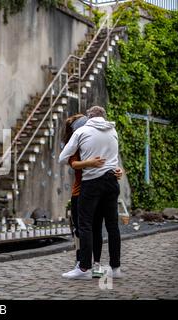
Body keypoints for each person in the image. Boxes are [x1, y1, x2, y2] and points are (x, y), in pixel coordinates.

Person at [59, 106, 122, 280]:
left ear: (89, 118)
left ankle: (85, 267)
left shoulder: (83, 133)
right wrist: (113, 169)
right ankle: (113, 267)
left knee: (86, 226)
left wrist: (90, 164)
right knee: (110, 226)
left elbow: (63, 158)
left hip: (91, 185)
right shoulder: (112, 131)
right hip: (110, 183)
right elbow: (112, 158)